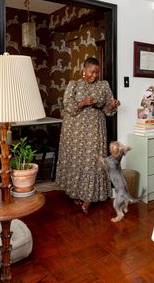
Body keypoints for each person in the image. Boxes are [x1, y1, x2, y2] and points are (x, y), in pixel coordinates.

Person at [55, 57, 121, 213]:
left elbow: (107, 110)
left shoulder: (103, 85)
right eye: (92, 72)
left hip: (95, 129)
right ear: (84, 70)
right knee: (77, 160)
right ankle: (76, 192)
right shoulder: (74, 85)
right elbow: (67, 107)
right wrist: (83, 103)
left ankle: (88, 198)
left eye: (97, 73)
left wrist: (112, 105)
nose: (94, 76)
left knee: (93, 161)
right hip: (74, 131)